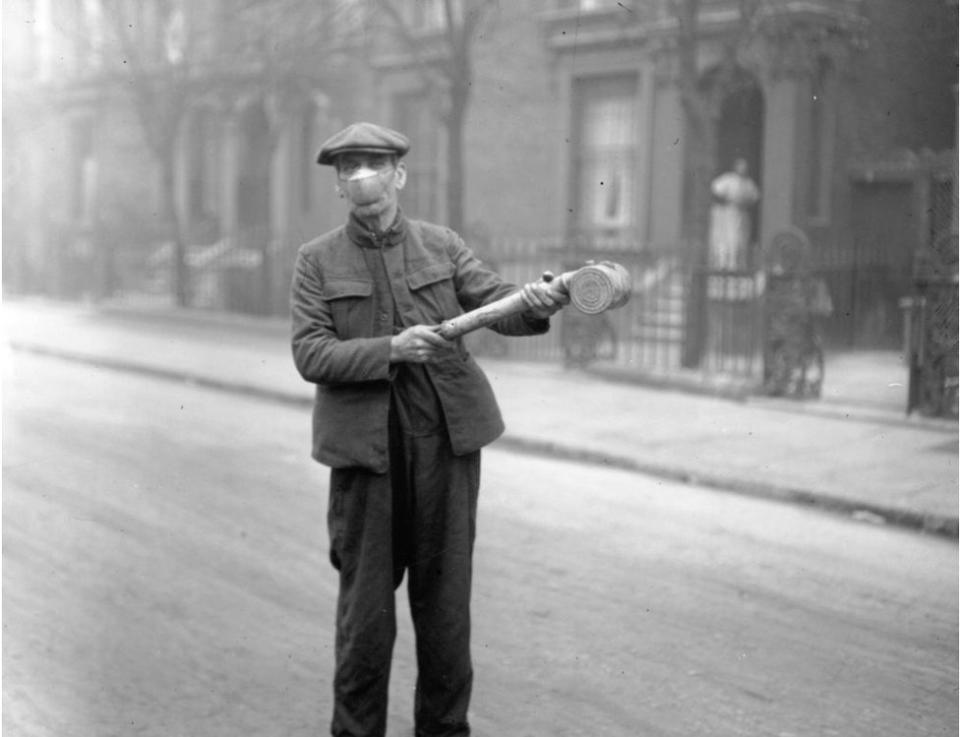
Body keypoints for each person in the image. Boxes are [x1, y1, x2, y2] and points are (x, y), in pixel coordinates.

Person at [289, 121, 568, 737]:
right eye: (349, 167)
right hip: (367, 460)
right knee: (365, 629)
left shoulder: (441, 246)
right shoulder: (316, 261)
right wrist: (389, 347)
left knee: (445, 622)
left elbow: (494, 300)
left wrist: (538, 303)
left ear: (400, 175)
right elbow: (310, 353)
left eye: (374, 164)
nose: (362, 175)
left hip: (444, 448)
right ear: (338, 184)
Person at [708, 157, 760, 270]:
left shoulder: (748, 183)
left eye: (744, 167)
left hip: (741, 214)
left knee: (740, 239)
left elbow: (754, 197)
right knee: (727, 238)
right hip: (727, 214)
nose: (742, 169)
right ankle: (723, 264)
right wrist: (727, 201)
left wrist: (745, 203)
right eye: (740, 166)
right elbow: (716, 190)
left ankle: (737, 265)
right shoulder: (728, 179)